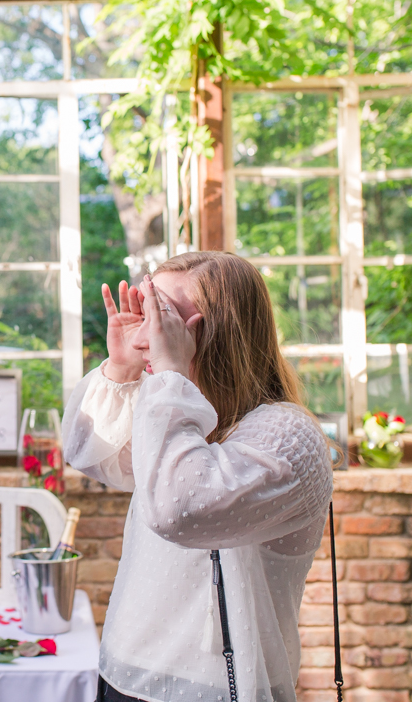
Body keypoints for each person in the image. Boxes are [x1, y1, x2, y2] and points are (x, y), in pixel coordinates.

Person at [63, 252, 333, 702]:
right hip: (121, 676)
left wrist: (170, 372)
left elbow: (178, 510)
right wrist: (124, 365)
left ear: (218, 333)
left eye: (163, 315)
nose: (151, 331)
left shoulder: (288, 435)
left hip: (217, 692)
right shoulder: (181, 417)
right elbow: (88, 452)